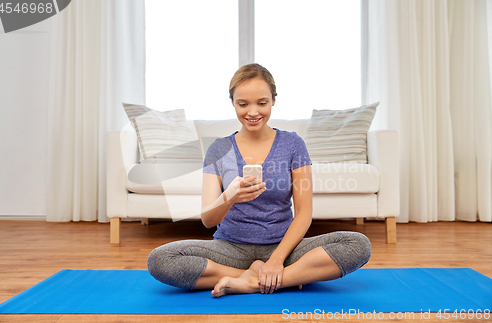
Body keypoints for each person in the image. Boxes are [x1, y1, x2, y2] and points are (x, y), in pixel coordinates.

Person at [147, 63, 371, 297]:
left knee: (357, 244)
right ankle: (283, 277)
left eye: (261, 103)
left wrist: (276, 261)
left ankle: (252, 281)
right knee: (161, 260)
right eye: (243, 104)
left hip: (284, 248)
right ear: (232, 102)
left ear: (273, 100)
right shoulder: (219, 149)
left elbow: (304, 213)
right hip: (230, 248)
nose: (252, 112)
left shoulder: (293, 144)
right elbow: (208, 220)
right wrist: (229, 197)